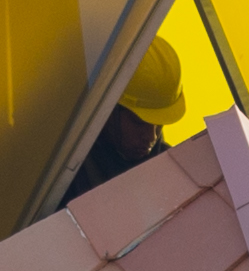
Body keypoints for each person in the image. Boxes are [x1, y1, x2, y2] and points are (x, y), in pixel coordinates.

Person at [60, 37, 192, 207]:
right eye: (138, 122)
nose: (151, 137)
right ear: (106, 106)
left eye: (159, 123)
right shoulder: (61, 175)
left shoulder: (177, 174)